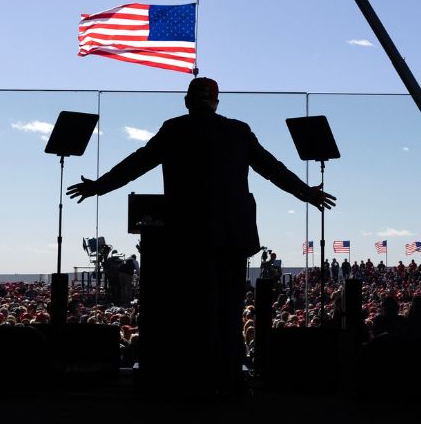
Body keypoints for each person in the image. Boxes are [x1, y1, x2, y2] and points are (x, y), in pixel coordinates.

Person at [67, 77, 335, 395]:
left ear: (187, 102)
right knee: (228, 309)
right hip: (233, 239)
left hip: (185, 239)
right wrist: (305, 193)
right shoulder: (239, 131)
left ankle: (192, 381)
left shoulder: (174, 129)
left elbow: (135, 165)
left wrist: (98, 186)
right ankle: (229, 381)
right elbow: (272, 169)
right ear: (216, 102)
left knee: (192, 309)